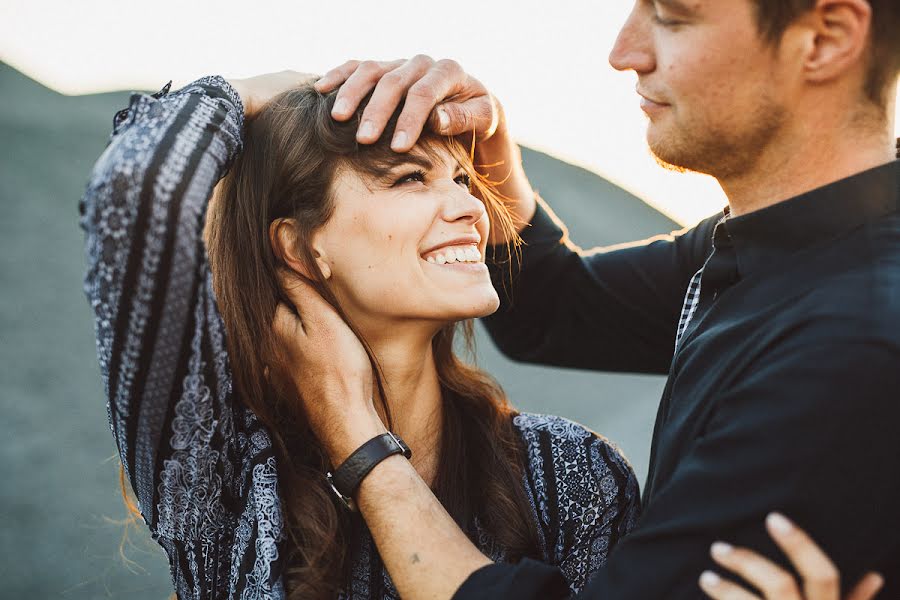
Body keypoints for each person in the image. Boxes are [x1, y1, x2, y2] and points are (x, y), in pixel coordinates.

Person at [268, 0, 900, 598]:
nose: (624, 52)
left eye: (673, 18)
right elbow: (553, 312)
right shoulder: (772, 244)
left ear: (826, 38)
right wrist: (493, 158)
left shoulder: (854, 343)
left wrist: (359, 440)